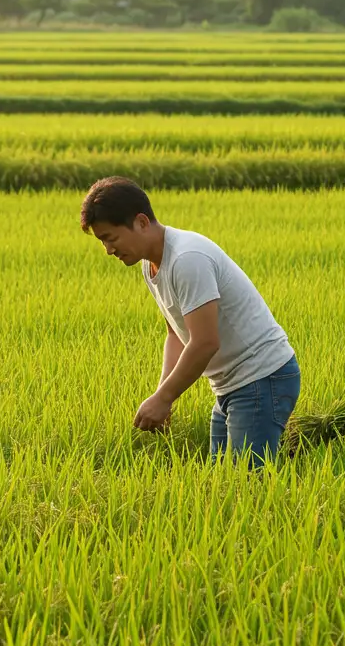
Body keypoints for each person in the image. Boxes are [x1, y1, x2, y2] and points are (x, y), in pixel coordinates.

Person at [80, 176, 300, 468]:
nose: (108, 249)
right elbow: (176, 331)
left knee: (247, 486)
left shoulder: (187, 258)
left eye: (110, 237)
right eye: (102, 241)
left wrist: (165, 398)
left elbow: (205, 342)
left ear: (142, 222)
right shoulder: (151, 263)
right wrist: (162, 393)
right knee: (223, 479)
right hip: (231, 385)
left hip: (261, 378)